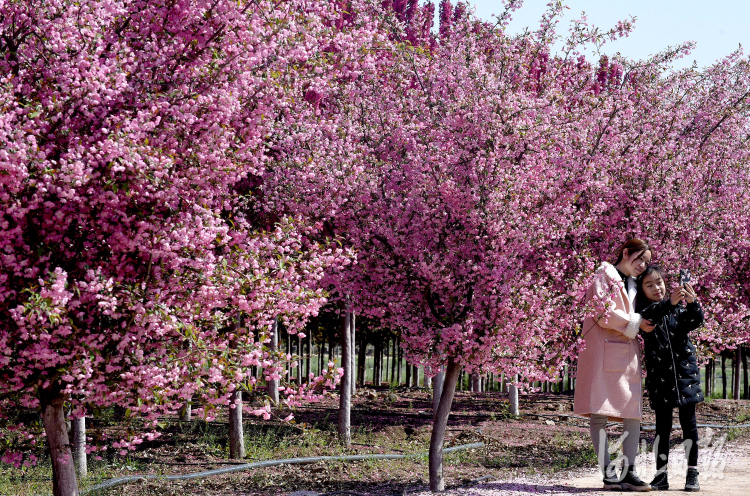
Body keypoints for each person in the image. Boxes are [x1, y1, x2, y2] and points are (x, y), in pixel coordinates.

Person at [574, 239, 655, 491]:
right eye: (639, 258)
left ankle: (629, 472)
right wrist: (636, 323)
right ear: (625, 253)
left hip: (625, 352)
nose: (642, 265)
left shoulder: (633, 283)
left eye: (646, 261)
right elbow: (602, 311)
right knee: (599, 413)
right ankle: (608, 473)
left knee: (632, 411)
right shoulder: (604, 275)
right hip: (602, 352)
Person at [636, 265, 703, 492]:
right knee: (662, 428)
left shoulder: (678, 311)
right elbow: (652, 316)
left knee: (689, 427)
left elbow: (695, 321)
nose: (657, 288)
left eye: (660, 283)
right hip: (660, 379)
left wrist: (692, 303)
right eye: (649, 285)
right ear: (642, 290)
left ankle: (692, 473)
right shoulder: (644, 313)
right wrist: (670, 303)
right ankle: (661, 475)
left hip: (686, 376)